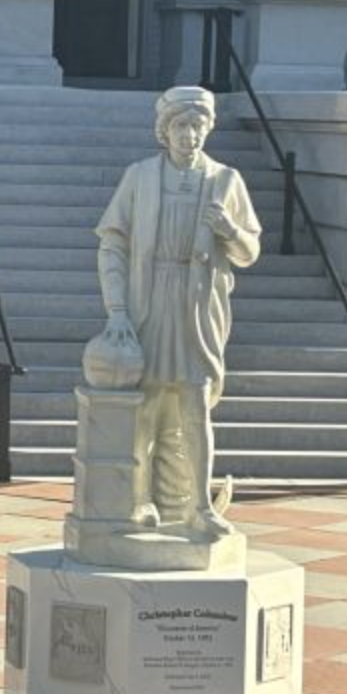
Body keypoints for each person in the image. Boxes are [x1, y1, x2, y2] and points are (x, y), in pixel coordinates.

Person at [95, 86, 261, 536]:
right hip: (150, 302)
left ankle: (200, 506)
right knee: (145, 407)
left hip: (197, 309)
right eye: (181, 126)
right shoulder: (140, 177)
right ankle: (140, 498)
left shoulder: (226, 180)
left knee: (194, 406)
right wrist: (117, 309)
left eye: (198, 126)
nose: (190, 135)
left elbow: (250, 251)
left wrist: (229, 230)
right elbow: (112, 243)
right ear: (164, 131)